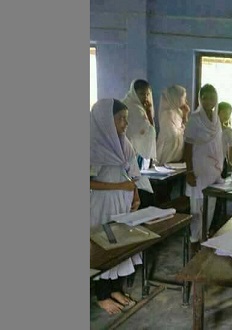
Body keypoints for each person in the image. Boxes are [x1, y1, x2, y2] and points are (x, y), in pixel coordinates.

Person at [90, 98, 142, 315]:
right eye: (120, 119)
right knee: (103, 247)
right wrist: (121, 185)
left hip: (121, 203)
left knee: (119, 246)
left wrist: (135, 195)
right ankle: (101, 295)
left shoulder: (124, 143)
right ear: (104, 121)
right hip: (99, 206)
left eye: (126, 120)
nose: (124, 124)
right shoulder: (92, 144)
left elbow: (132, 174)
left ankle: (115, 289)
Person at [183, 84, 223, 253]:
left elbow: (218, 144)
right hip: (198, 168)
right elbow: (188, 146)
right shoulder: (195, 118)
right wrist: (189, 171)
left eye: (212, 97)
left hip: (212, 170)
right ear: (200, 98)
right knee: (197, 207)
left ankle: (204, 237)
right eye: (205, 97)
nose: (209, 101)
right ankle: (194, 239)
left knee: (210, 204)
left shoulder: (216, 118)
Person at [122, 79, 156, 208]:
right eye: (142, 94)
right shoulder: (134, 108)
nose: (145, 97)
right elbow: (150, 131)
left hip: (135, 155)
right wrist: (148, 113)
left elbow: (149, 131)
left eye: (147, 94)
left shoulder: (128, 104)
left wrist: (148, 111)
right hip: (131, 154)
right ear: (134, 93)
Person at [156, 85, 190, 164]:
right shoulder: (167, 114)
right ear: (176, 98)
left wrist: (185, 115)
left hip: (176, 151)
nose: (186, 101)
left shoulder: (177, 112)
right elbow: (173, 135)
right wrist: (182, 129)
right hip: (168, 152)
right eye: (184, 98)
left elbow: (183, 129)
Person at [218, 102, 232, 179]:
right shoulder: (210, 128)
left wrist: (230, 161)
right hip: (209, 160)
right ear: (217, 112)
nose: (226, 115)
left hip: (222, 160)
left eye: (229, 113)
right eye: (224, 112)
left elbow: (230, 147)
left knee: (221, 181)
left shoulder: (229, 131)